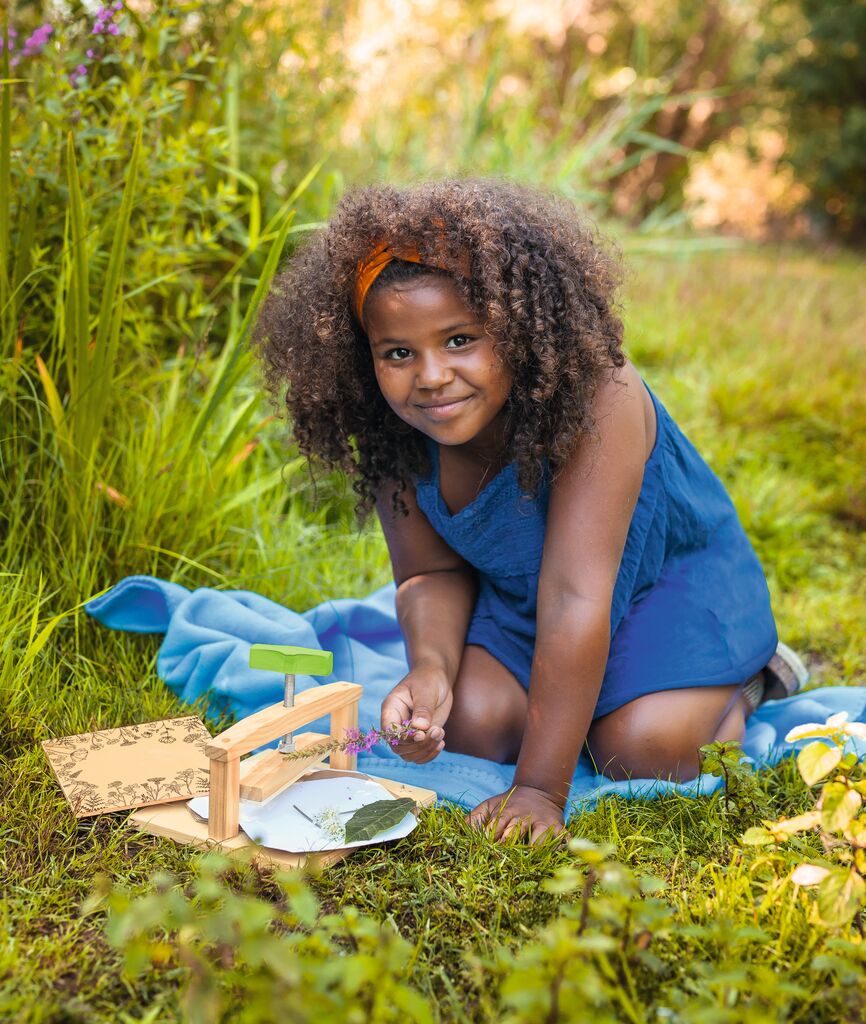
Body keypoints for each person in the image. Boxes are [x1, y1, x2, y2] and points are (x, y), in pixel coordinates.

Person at [255, 179, 809, 843]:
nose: (430, 375)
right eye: (398, 353)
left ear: (519, 328)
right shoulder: (392, 425)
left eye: (460, 339)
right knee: (470, 724)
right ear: (365, 354)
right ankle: (565, 713)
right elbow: (428, 575)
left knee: (639, 750)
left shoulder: (599, 397)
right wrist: (430, 668)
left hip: (668, 587)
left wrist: (540, 788)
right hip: (527, 599)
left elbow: (578, 597)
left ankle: (751, 681)